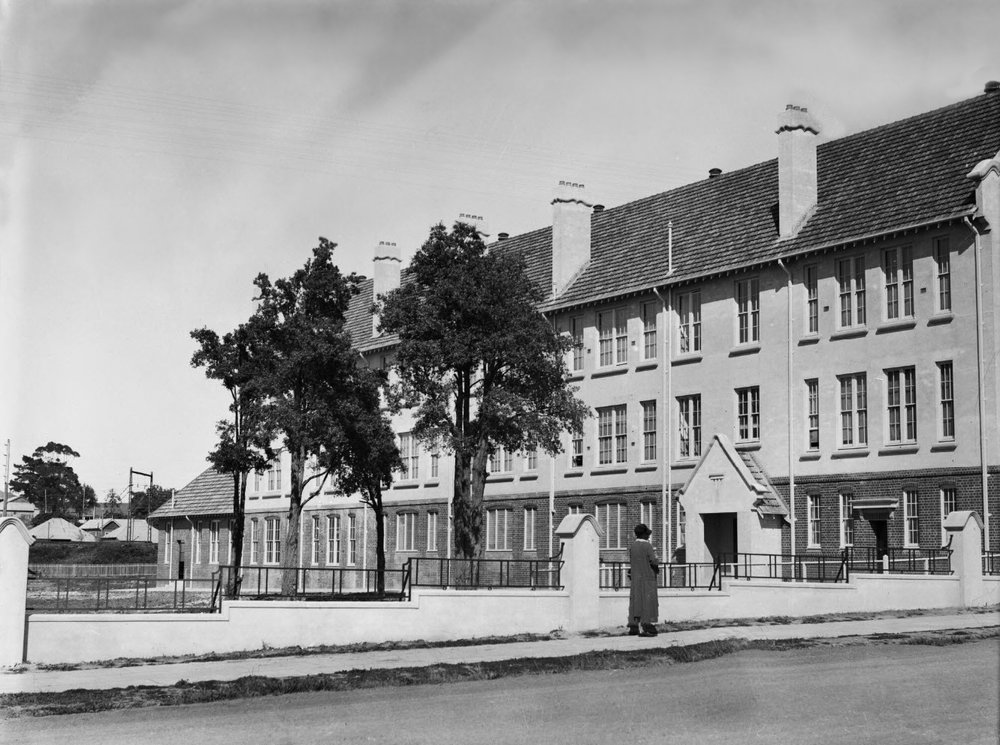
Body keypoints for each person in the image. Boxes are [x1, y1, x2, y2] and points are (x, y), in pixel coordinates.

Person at [627, 523, 659, 637]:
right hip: (647, 577)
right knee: (647, 601)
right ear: (644, 535)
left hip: (636, 577)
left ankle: (634, 626)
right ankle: (646, 626)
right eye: (647, 534)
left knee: (636, 600)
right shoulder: (647, 546)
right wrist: (657, 561)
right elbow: (653, 561)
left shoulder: (633, 546)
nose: (649, 536)